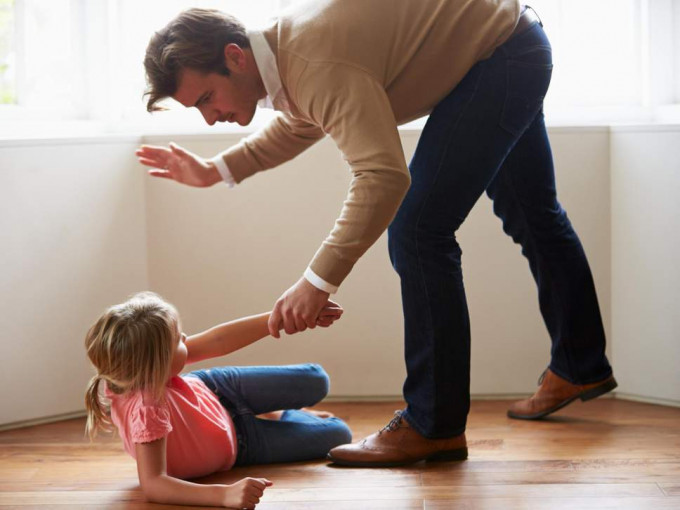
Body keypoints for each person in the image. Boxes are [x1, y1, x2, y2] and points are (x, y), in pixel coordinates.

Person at [135, 0, 617, 467]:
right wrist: (217, 169)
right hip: (512, 42)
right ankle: (579, 364)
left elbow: (383, 176)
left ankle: (434, 425)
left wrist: (317, 281)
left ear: (233, 57)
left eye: (205, 99)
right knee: (532, 213)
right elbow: (304, 121)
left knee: (417, 230)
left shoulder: (310, 60)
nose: (208, 116)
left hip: (499, 54)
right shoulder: (287, 55)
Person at [84, 291, 350, 508]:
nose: (186, 339)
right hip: (241, 443)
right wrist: (224, 495)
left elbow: (218, 339)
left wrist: (281, 317)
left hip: (216, 389)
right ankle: (277, 414)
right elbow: (154, 484)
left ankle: (272, 411)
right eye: (179, 339)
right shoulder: (145, 409)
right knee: (338, 433)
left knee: (317, 378)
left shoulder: (140, 368)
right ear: (156, 365)